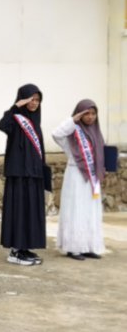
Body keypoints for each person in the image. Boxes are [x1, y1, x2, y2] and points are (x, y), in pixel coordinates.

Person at [0, 83, 47, 265]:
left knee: (30, 213)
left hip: (33, 176)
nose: (34, 103)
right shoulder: (15, 119)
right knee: (18, 211)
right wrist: (16, 106)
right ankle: (15, 251)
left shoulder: (36, 122)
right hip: (18, 175)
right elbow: (2, 125)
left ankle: (25, 247)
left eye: (37, 100)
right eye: (31, 99)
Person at [52, 99, 106, 260]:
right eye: (86, 113)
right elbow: (56, 134)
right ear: (79, 114)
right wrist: (73, 120)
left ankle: (88, 246)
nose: (90, 117)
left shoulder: (96, 133)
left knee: (90, 212)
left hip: (92, 179)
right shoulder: (72, 133)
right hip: (76, 176)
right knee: (75, 210)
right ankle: (73, 248)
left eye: (93, 114)